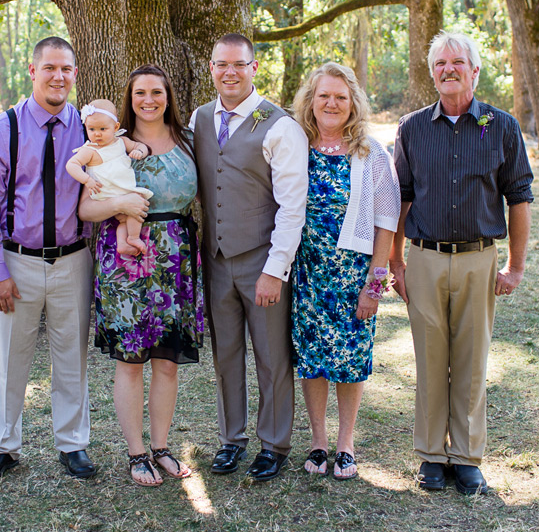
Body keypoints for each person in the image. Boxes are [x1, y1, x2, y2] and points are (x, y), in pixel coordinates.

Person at [388, 31, 533, 495]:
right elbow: (399, 201)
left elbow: (520, 199)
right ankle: (432, 455)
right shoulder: (411, 129)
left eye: (457, 61)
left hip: (479, 260)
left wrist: (515, 266)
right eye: (439, 64)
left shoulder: (502, 126)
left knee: (472, 360)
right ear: (432, 73)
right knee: (430, 359)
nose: (448, 69)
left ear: (475, 70)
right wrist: (395, 264)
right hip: (425, 260)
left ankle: (467, 457)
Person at [0, 36, 112, 483]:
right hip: (17, 262)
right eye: (49, 68)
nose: (58, 76)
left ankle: (72, 443)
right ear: (32, 72)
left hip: (73, 259)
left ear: (75, 73)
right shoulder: (1, 131)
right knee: (11, 359)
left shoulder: (91, 130)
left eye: (66, 69)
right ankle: (3, 445)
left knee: (72, 357)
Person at [190, 33, 308, 482]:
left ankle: (274, 443)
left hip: (263, 259)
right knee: (226, 354)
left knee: (272, 357)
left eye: (239, 65)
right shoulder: (200, 119)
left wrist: (275, 270)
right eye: (222, 64)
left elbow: (293, 206)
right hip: (215, 260)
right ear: (212, 68)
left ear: (254, 68)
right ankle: (230, 439)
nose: (230, 73)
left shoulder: (278, 124)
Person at [78, 64, 203, 487]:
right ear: (128, 101)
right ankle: (136, 454)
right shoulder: (109, 144)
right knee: (131, 361)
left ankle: (162, 447)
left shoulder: (189, 141)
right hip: (126, 260)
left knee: (167, 363)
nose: (148, 100)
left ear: (169, 96)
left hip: (176, 258)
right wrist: (124, 207)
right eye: (139, 94)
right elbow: (86, 209)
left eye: (156, 92)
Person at [289, 62, 400, 480]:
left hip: (352, 276)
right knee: (312, 358)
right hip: (306, 273)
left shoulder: (371, 153)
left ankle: (346, 444)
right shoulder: (296, 145)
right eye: (323, 96)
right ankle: (318, 441)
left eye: (340, 96)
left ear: (353, 102)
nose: (331, 103)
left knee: (351, 360)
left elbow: (387, 219)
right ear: (310, 102)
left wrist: (375, 283)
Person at [65, 99, 152, 255]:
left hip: (123, 190)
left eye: (103, 129)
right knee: (137, 201)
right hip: (106, 194)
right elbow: (71, 165)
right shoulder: (90, 150)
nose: (97, 134)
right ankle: (133, 237)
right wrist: (87, 180)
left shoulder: (122, 142)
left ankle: (125, 242)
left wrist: (140, 152)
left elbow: (141, 146)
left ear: (115, 127)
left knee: (127, 216)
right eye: (91, 129)